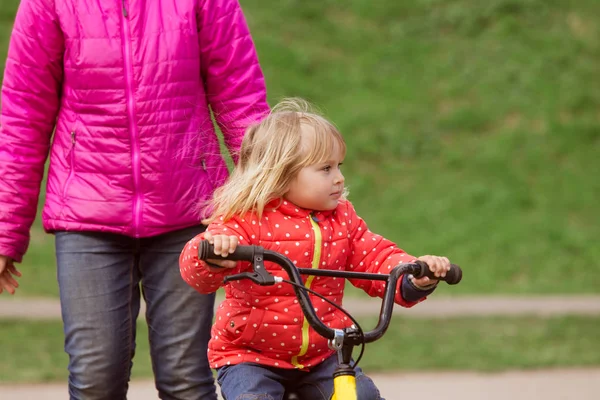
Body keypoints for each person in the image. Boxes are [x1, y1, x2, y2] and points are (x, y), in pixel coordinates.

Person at [0, 0, 269, 398]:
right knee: (95, 381)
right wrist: (6, 230)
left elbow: (241, 100)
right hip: (86, 216)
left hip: (188, 212)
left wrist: (271, 208)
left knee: (186, 382)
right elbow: (23, 115)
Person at [179, 98, 452, 400]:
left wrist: (413, 275)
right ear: (282, 173)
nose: (339, 178)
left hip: (322, 355)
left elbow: (376, 257)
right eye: (325, 168)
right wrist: (215, 254)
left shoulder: (342, 219)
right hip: (251, 355)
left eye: (338, 166)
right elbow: (198, 268)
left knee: (363, 396)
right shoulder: (247, 219)